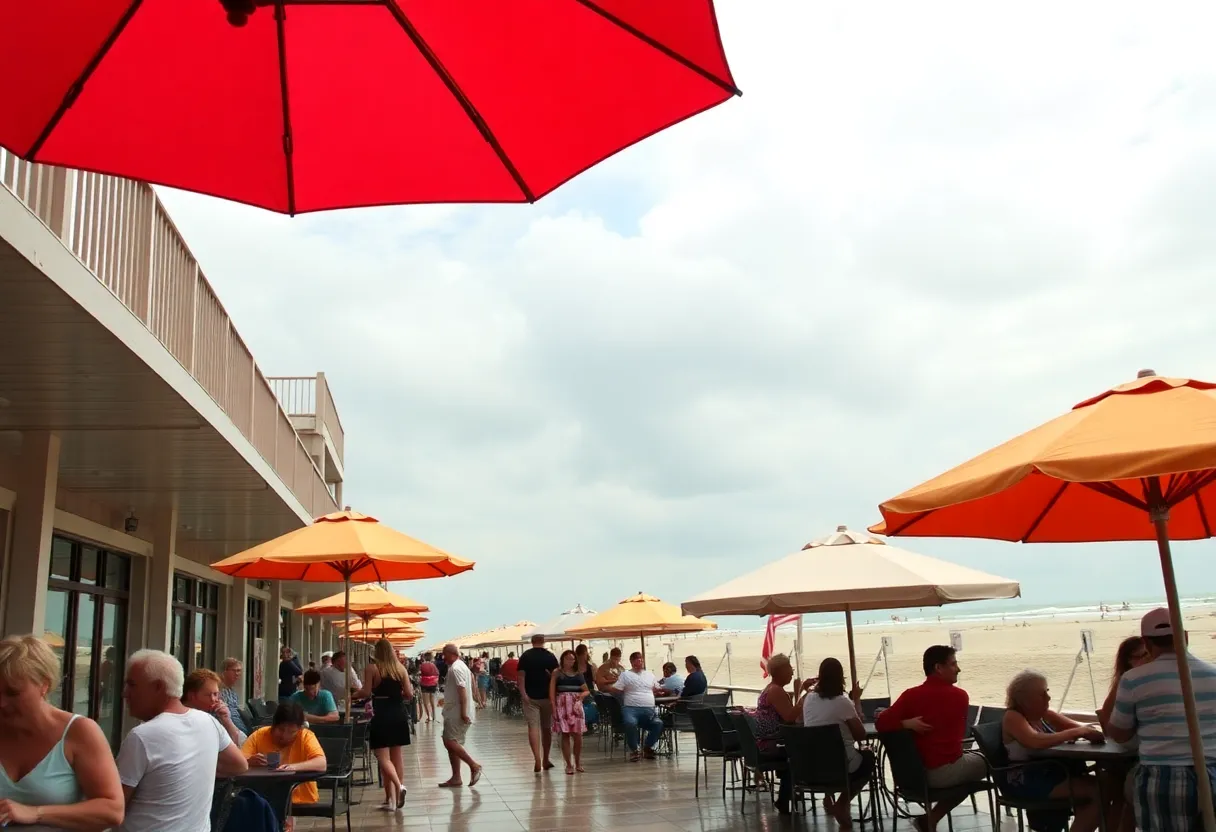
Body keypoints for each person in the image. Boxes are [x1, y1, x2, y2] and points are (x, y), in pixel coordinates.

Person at [1107, 608, 1216, 831]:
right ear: (1185, 636)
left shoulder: (1134, 680)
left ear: (1147, 643)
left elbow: (1118, 733)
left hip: (1163, 778)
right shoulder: (1213, 675)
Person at [0, 634, 124, 829]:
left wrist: (35, 813)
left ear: (44, 685)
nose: (2, 702)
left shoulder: (79, 732)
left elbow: (112, 810)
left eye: (13, 693)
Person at [116, 650, 248, 832]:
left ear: (158, 687)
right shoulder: (208, 722)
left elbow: (113, 808)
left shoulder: (142, 736)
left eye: (132, 685)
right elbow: (239, 765)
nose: (125, 694)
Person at [876, 645, 986, 830]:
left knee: (970, 772)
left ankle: (931, 819)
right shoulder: (959, 696)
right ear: (938, 668)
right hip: (944, 772)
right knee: (990, 761)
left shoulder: (911, 696)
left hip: (911, 776)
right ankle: (1013, 805)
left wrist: (905, 723)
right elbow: (958, 737)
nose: (958, 669)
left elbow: (881, 722)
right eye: (953, 664)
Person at [1002, 670, 1106, 832]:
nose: (1048, 698)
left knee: (1110, 784)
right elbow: (1034, 741)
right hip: (1026, 779)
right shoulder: (1013, 717)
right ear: (1025, 700)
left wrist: (1085, 732)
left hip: (1052, 773)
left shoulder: (1046, 716)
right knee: (1100, 791)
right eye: (1042, 694)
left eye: (1047, 693)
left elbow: (1084, 729)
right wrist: (1074, 733)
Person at [803, 657, 876, 831]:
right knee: (868, 758)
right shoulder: (842, 702)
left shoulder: (809, 699)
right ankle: (842, 803)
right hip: (841, 766)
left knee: (828, 750)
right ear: (840, 678)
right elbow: (860, 735)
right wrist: (856, 700)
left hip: (813, 766)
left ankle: (829, 797)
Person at [351, 639, 413, 808]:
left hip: (381, 712)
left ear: (376, 652)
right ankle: (391, 798)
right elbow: (409, 693)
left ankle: (396, 791)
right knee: (397, 756)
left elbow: (366, 691)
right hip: (399, 712)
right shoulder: (401, 669)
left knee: (382, 757)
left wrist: (352, 695)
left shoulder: (372, 668)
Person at [242, 702, 327, 825]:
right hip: (262, 794)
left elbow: (321, 763)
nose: (285, 736)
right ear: (273, 725)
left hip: (298, 796)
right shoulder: (260, 735)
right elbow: (239, 760)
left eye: (292, 732)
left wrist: (293, 767)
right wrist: (249, 760)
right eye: (281, 730)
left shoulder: (305, 736)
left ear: (299, 729)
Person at [756, 653, 814, 813]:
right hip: (773, 743)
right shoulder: (776, 691)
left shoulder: (772, 689)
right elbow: (790, 717)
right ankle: (793, 791)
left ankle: (790, 792)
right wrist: (807, 695)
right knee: (804, 752)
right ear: (780, 671)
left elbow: (788, 714)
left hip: (770, 741)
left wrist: (801, 690)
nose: (792, 673)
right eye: (790, 669)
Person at [438, 644, 482, 787]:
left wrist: (463, 711)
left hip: (457, 712)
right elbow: (472, 683)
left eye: (444, 655)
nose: (443, 658)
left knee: (449, 741)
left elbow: (462, 690)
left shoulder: (456, 668)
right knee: (453, 742)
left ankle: (473, 765)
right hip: (455, 709)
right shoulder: (462, 666)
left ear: (451, 654)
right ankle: (456, 777)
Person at [612, 652, 666, 762]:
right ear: (632, 662)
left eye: (641, 659)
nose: (640, 661)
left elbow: (656, 687)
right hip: (631, 709)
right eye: (637, 659)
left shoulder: (650, 675)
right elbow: (616, 689)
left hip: (649, 710)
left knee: (658, 724)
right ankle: (634, 749)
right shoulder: (625, 675)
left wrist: (658, 692)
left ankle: (648, 747)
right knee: (630, 723)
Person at [518, 634, 559, 773]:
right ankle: (546, 758)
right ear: (544, 642)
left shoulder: (525, 656)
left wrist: (524, 694)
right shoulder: (550, 656)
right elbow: (556, 676)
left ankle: (537, 758)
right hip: (547, 697)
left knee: (533, 728)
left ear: (532, 642)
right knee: (547, 728)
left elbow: (520, 677)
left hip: (531, 697)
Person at [1096, 636, 1149, 731]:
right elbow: (1106, 719)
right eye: (1137, 657)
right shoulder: (1125, 681)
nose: (1143, 660)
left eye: (1145, 655)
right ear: (1128, 661)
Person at [550, 650, 590, 775]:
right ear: (562, 659)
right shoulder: (557, 673)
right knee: (565, 735)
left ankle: (577, 762)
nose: (570, 662)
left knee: (578, 735)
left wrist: (582, 696)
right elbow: (551, 692)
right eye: (567, 659)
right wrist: (553, 707)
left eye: (572, 659)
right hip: (562, 705)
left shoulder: (578, 674)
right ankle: (568, 764)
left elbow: (586, 690)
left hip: (575, 706)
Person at [182, 667, 246, 745]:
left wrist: (227, 721)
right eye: (208, 695)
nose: (214, 699)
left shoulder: (215, 716)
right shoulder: (182, 720)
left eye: (215, 694)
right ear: (192, 696)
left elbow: (243, 745)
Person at [217, 658, 249, 739]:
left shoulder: (232, 691)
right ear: (224, 672)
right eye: (235, 670)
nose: (238, 674)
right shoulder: (218, 691)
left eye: (239, 671)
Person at [418, 653, 440, 723]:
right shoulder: (433, 665)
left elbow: (419, 673)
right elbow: (437, 673)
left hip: (424, 684)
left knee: (425, 702)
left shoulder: (422, 665)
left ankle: (429, 716)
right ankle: (434, 716)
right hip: (433, 684)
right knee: (432, 700)